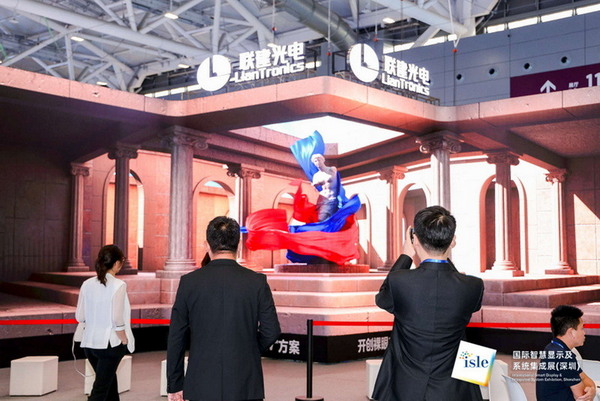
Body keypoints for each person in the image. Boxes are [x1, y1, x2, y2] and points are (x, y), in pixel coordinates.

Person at [372, 205, 484, 401]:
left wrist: (406, 255)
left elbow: (383, 299)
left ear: (415, 239)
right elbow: (458, 289)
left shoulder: (400, 281)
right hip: (457, 389)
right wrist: (445, 255)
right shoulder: (473, 285)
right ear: (452, 241)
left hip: (404, 387)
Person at [167, 216, 281, 401]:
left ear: (207, 245)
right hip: (245, 382)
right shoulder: (256, 282)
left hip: (201, 382)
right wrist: (248, 350)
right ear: (239, 245)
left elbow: (176, 337)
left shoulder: (189, 282)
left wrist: (175, 384)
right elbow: (271, 331)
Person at [75, 244, 135, 401]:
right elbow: (117, 319)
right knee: (100, 390)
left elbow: (80, 316)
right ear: (116, 263)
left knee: (108, 385)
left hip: (89, 344)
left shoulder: (87, 284)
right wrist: (124, 339)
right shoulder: (119, 285)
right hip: (110, 344)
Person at [536, 305, 596, 401]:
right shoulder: (563, 356)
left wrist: (592, 389)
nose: (584, 333)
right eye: (582, 328)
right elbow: (582, 397)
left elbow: (584, 378)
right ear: (571, 332)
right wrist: (591, 391)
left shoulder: (553, 347)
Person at [310, 153, 339, 221]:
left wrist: (318, 182)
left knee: (332, 220)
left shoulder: (331, 169)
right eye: (315, 161)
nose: (318, 162)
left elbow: (335, 179)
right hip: (323, 198)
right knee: (320, 218)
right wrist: (314, 185)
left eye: (319, 160)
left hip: (332, 197)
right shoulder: (316, 176)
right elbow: (314, 188)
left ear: (323, 160)